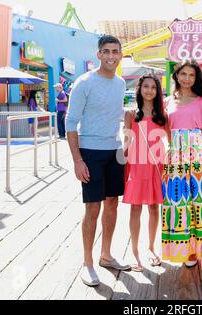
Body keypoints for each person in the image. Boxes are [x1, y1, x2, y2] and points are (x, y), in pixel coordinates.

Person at [65, 35, 130, 287]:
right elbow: (70, 124)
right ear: (98, 55)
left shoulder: (121, 83)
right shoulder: (83, 83)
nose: (111, 56)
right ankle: (88, 263)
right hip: (89, 151)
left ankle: (106, 255)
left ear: (120, 54)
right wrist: (77, 160)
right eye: (106, 51)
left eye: (115, 51)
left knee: (112, 203)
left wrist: (131, 114)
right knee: (93, 207)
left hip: (113, 151)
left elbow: (113, 112)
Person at [162, 59, 202, 270]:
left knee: (199, 202)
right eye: (183, 74)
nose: (187, 78)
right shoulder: (167, 101)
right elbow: (165, 129)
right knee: (177, 201)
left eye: (192, 75)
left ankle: (201, 249)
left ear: (197, 78)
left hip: (199, 156)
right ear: (176, 75)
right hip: (175, 155)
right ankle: (183, 250)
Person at [122, 74, 167, 272]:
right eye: (145, 86)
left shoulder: (162, 116)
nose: (149, 90)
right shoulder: (131, 114)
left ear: (157, 91)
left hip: (157, 164)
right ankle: (134, 251)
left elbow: (172, 141)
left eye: (153, 87)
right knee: (135, 208)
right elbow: (126, 141)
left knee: (154, 208)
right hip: (137, 165)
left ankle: (150, 247)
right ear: (140, 89)